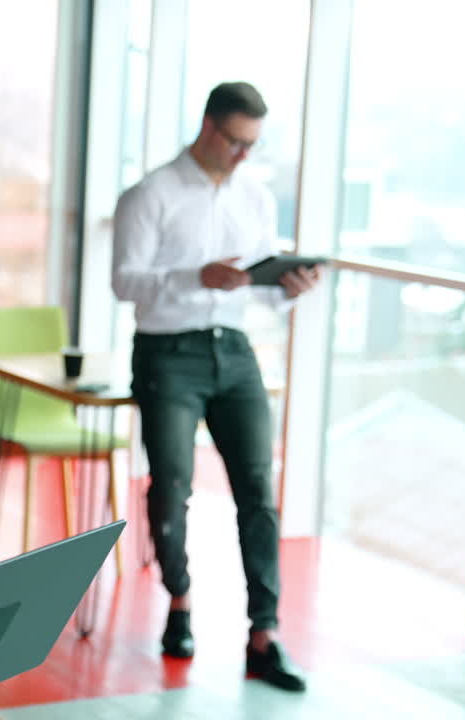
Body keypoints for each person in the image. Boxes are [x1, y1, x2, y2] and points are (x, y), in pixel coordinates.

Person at [111, 82, 320, 692]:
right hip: (167, 352)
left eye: (252, 145)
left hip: (234, 351)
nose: (243, 156)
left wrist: (283, 289)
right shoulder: (150, 194)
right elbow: (124, 282)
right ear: (208, 127)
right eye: (235, 141)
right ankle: (179, 603)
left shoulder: (254, 197)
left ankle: (264, 633)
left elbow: (254, 281)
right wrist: (194, 275)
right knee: (172, 484)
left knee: (258, 488)